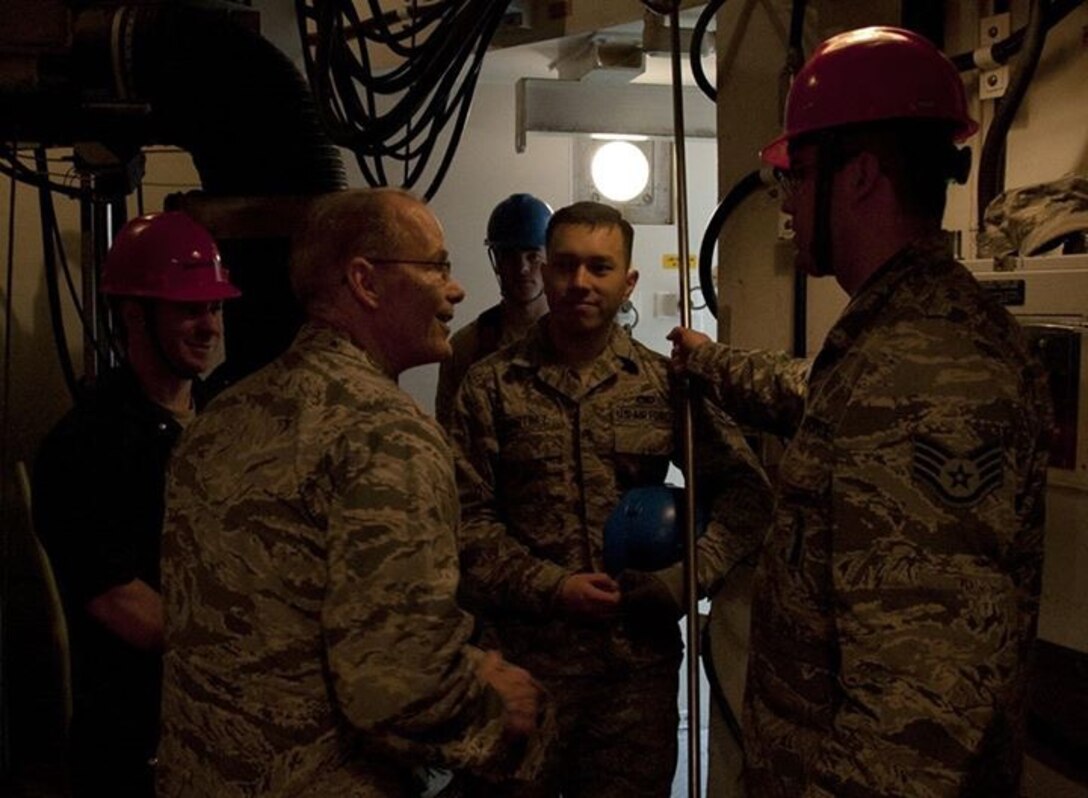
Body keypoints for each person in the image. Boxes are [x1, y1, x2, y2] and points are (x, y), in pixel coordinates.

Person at [669, 26, 1053, 797]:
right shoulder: (894, 340)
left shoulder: (925, 374)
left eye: (801, 175)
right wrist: (706, 363)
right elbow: (813, 396)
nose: (789, 198)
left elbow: (917, 725)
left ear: (863, 177)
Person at [156, 187, 551, 797]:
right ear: (365, 281)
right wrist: (502, 707)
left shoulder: (217, 421)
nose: (456, 289)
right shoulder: (387, 435)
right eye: (437, 267)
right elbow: (397, 683)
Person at [449, 200, 773, 797]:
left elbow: (747, 492)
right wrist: (553, 586)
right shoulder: (489, 386)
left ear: (629, 281)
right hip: (523, 671)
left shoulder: (666, 384)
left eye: (599, 267)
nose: (579, 283)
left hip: (633, 682)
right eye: (565, 265)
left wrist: (687, 578)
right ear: (544, 271)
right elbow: (464, 523)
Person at [32, 210, 241, 797]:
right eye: (189, 309)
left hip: (221, 724)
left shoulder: (225, 421)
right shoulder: (86, 446)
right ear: (133, 316)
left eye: (216, 308)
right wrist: (245, 647)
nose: (210, 326)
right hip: (138, 739)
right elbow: (122, 604)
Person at [434, 193, 552, 428]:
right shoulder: (467, 348)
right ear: (496, 261)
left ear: (550, 257)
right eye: (510, 256)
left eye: (533, 256)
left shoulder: (574, 338)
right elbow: (449, 434)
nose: (522, 268)